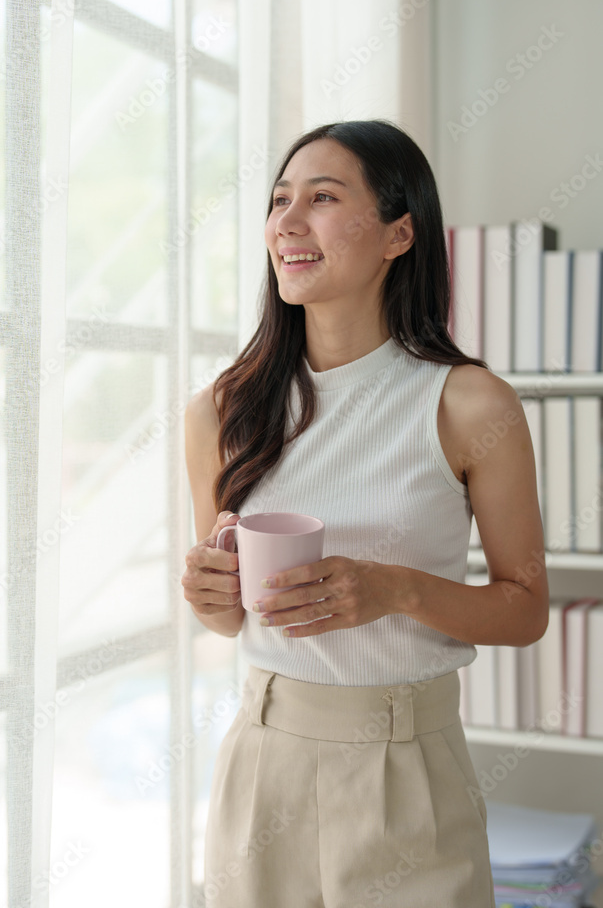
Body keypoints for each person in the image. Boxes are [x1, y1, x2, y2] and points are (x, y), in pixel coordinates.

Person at [181, 119, 548, 907]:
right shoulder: (222, 410)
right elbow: (230, 620)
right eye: (279, 200)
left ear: (398, 233)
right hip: (263, 765)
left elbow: (524, 610)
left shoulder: (469, 404)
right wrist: (210, 600)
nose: (286, 221)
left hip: (406, 772)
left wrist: (395, 590)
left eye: (321, 198)